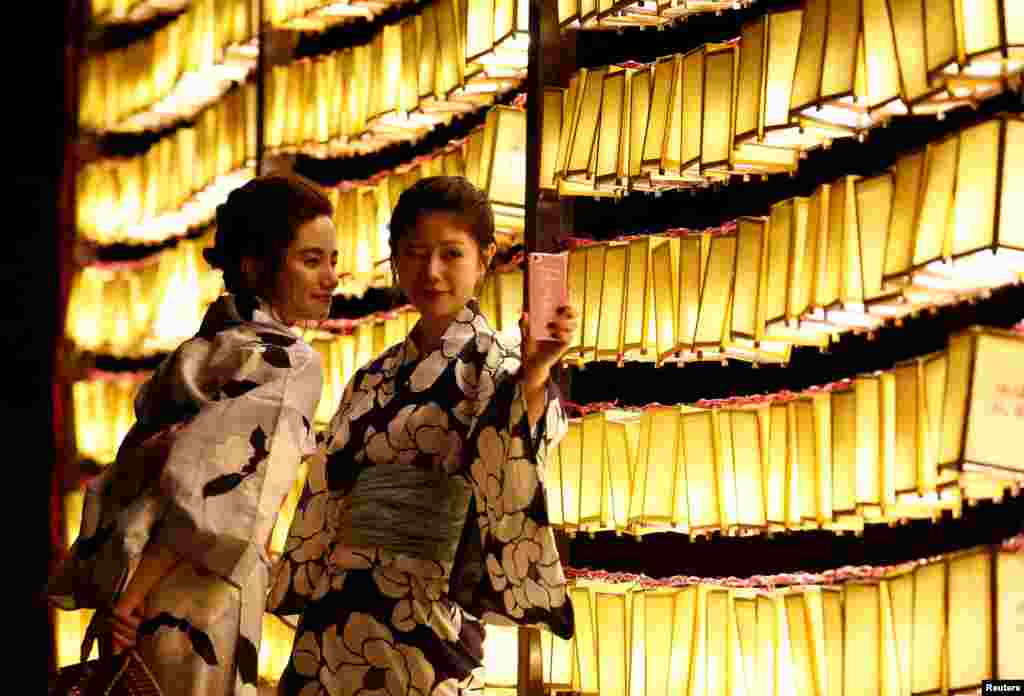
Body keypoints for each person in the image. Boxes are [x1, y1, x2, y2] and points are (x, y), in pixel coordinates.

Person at [269, 176, 578, 696]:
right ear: (394, 260)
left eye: (450, 254)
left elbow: (519, 450)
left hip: (432, 617)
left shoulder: (502, 364)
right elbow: (330, 488)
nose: (430, 271)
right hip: (339, 612)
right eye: (413, 254)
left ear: (485, 257)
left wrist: (536, 374)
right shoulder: (372, 375)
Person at [47, 173, 340, 696]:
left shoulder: (205, 349)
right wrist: (133, 600)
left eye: (332, 261)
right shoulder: (291, 363)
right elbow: (223, 501)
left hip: (141, 587)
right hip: (198, 599)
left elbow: (148, 477)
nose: (331, 278)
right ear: (255, 265)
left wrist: (124, 595)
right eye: (311, 260)